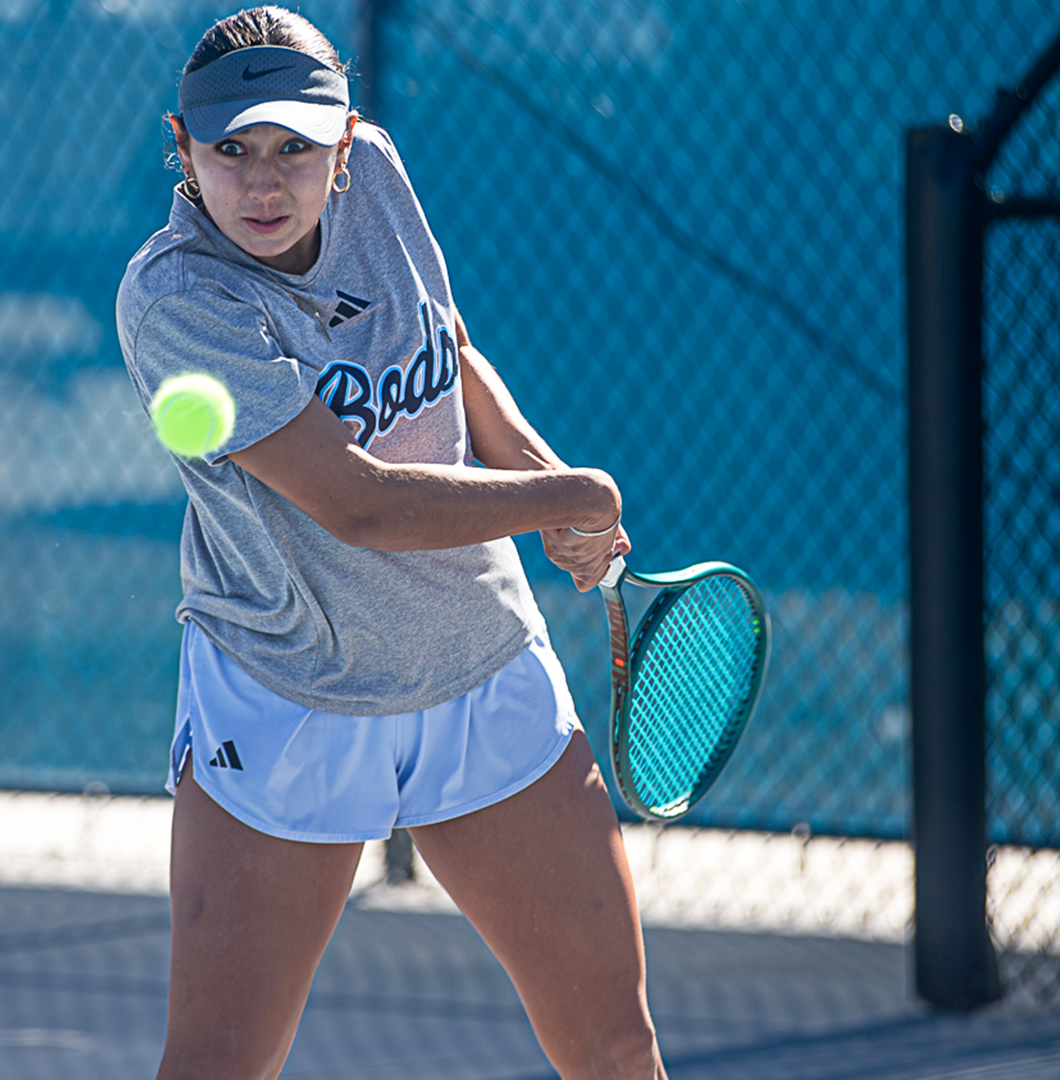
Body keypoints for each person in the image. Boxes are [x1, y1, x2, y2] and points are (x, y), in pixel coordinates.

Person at [116, 8, 666, 1079]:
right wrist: (574, 491)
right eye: (232, 149)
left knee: (616, 1047)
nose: (264, 182)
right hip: (287, 704)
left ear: (345, 141)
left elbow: (444, 347)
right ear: (182, 146)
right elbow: (359, 505)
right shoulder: (176, 300)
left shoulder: (378, 173)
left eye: (295, 149)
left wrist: (534, 472)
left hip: (483, 675)